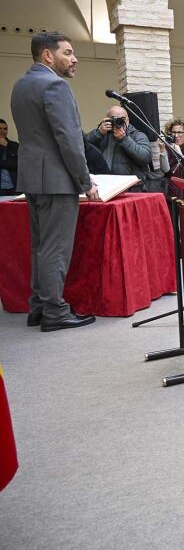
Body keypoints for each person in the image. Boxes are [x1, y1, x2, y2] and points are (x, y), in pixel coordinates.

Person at [10, 32, 99, 332]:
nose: (74, 59)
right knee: (55, 248)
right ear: (48, 55)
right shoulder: (55, 85)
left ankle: (38, 306)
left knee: (40, 246)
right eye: (68, 53)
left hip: (32, 178)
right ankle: (55, 311)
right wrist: (85, 182)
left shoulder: (21, 84)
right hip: (58, 180)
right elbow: (70, 141)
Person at [85, 105, 152, 188]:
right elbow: (83, 147)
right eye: (115, 119)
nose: (119, 122)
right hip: (104, 184)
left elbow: (145, 158)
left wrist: (124, 139)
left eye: (122, 119)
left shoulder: (137, 135)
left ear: (128, 120)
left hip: (130, 186)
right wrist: (98, 133)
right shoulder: (102, 133)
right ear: (107, 120)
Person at [0, 118, 18, 196]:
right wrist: (2, 147)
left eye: (5, 129)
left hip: (14, 187)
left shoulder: (15, 145)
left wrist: (6, 146)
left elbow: (18, 164)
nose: (2, 131)